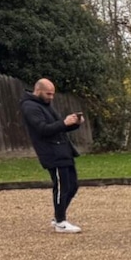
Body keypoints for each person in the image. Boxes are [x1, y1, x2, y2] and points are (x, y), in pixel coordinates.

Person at [20, 78, 85, 233]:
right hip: (51, 152)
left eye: (53, 94)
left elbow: (58, 128)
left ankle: (58, 217)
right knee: (62, 187)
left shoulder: (45, 105)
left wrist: (74, 123)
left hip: (63, 150)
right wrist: (64, 123)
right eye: (48, 94)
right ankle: (61, 222)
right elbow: (42, 129)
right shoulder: (30, 106)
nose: (51, 97)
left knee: (72, 186)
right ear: (38, 91)